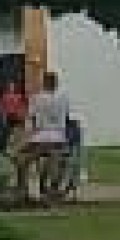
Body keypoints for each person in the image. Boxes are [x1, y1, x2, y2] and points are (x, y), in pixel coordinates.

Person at [19, 70, 72, 201]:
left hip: (40, 137)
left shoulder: (36, 98)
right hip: (58, 137)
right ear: (56, 83)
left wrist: (26, 137)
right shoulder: (64, 98)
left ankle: (23, 187)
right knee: (58, 159)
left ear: (44, 83)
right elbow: (66, 116)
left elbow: (31, 118)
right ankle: (53, 187)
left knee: (22, 158)